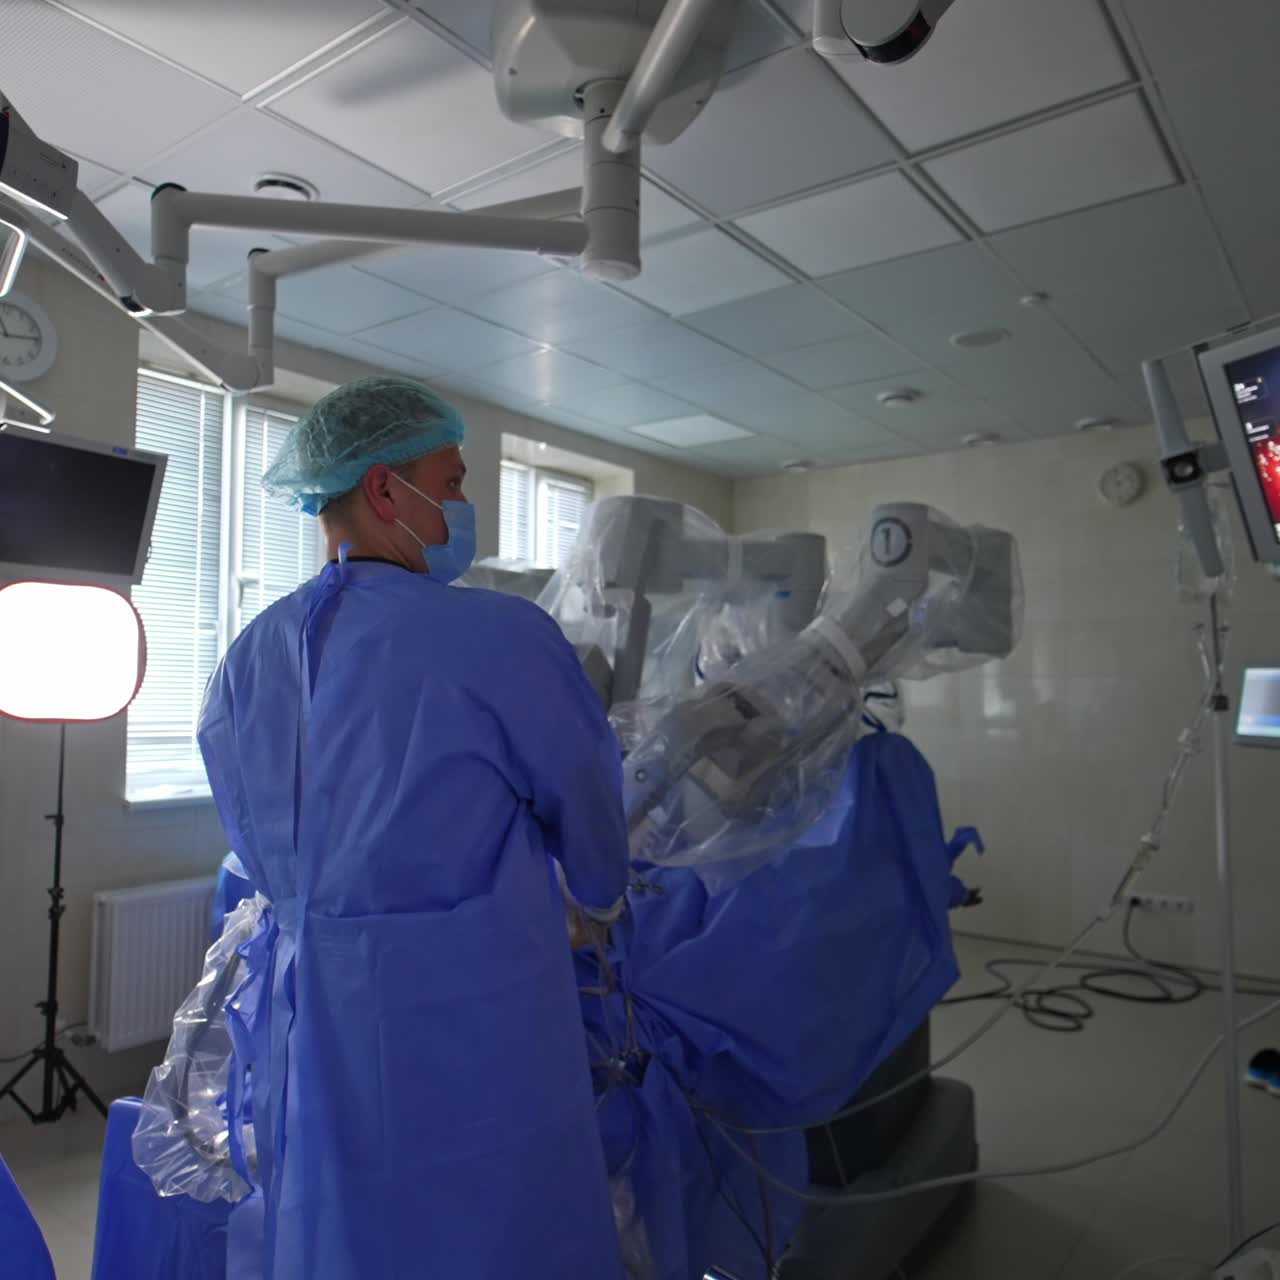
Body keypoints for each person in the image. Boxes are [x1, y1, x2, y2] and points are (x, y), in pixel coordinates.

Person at [196, 377, 629, 1280]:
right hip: (469, 1012)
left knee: (344, 1225)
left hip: (313, 1009)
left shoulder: (248, 656)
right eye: (456, 481)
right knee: (492, 1226)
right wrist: (596, 898)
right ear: (387, 489)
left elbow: (250, 833)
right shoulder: (500, 635)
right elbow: (585, 790)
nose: (465, 506)